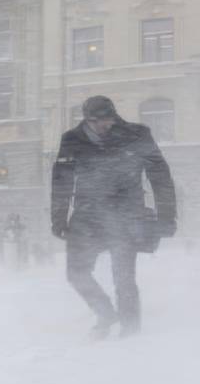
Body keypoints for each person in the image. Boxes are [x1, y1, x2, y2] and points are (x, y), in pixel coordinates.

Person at [51, 95, 176, 339]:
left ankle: (130, 330)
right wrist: (58, 218)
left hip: (126, 217)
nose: (102, 125)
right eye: (95, 121)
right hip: (87, 218)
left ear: (114, 116)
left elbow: (160, 177)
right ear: (86, 119)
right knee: (76, 273)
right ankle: (105, 313)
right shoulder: (72, 140)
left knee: (124, 279)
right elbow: (61, 181)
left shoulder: (137, 135)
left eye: (107, 120)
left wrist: (167, 216)